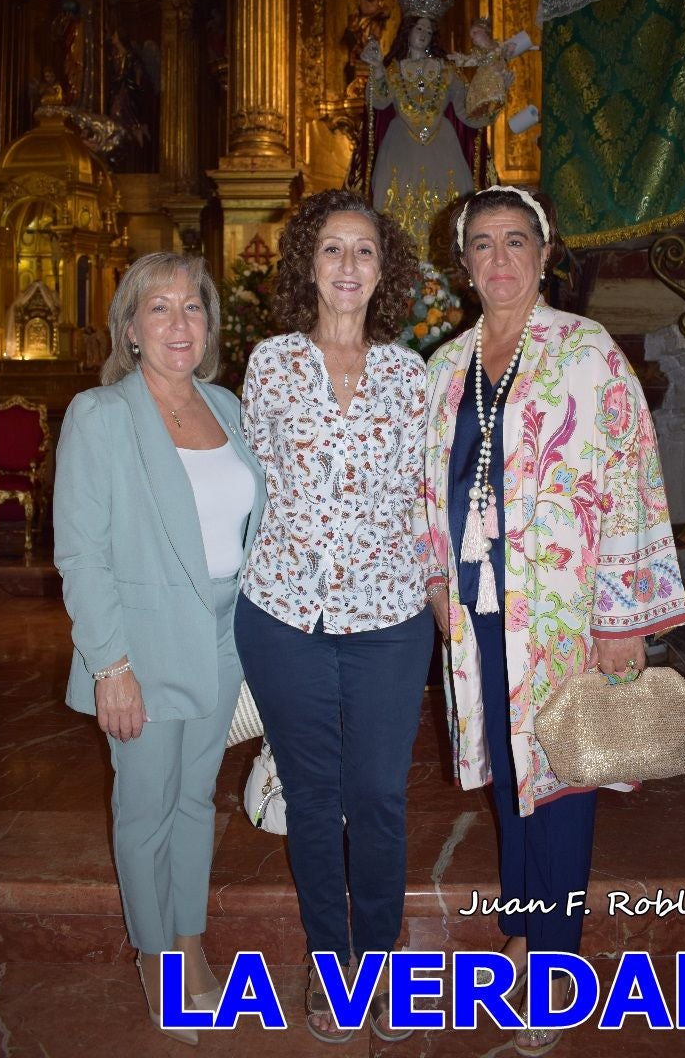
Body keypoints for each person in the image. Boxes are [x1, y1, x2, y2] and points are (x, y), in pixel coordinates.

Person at [413, 186, 685, 1056]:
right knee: (506, 766)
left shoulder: (588, 351)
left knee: (563, 774)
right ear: (463, 265)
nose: (499, 260)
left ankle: (554, 969)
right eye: (483, 245)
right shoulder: (445, 364)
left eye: (515, 242)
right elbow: (429, 485)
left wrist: (623, 616)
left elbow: (635, 481)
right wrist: (433, 577)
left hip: (568, 611)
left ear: (545, 253)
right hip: (478, 609)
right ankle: (526, 921)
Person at [234, 189, 434, 1045]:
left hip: (389, 617)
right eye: (331, 250)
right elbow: (250, 486)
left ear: (383, 270)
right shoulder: (271, 363)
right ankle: (330, 968)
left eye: (364, 251)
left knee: (379, 796)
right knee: (313, 798)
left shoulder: (409, 373)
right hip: (284, 616)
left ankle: (381, 964)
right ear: (307, 265)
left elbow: (428, 497)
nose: (348, 266)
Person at [53, 251, 266, 1046]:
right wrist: (111, 667)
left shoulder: (230, 407)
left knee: (194, 799)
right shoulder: (101, 415)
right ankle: (157, 956)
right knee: (145, 807)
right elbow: (82, 553)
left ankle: (189, 933)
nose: (181, 323)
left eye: (194, 308)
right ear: (132, 330)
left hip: (223, 633)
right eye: (160, 309)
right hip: (139, 643)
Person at [346, 11, 496, 261]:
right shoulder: (393, 70)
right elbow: (380, 103)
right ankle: (401, 271)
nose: (424, 36)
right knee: (395, 209)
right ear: (408, 32)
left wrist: (492, 94)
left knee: (448, 206)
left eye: (428, 31)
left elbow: (467, 109)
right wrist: (376, 68)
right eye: (419, 29)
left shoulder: (447, 71)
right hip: (400, 148)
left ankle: (446, 276)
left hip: (443, 148)